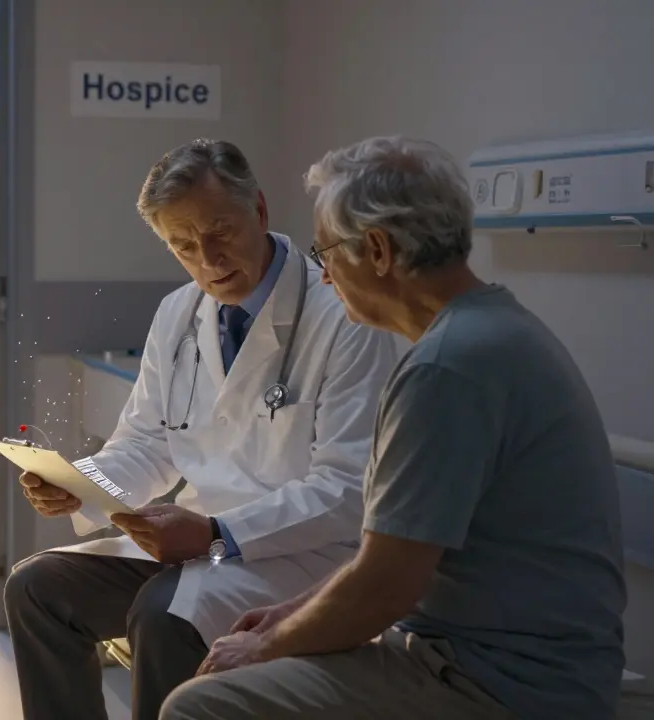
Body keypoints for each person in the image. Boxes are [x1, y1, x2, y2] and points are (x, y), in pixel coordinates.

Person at [161, 135, 628, 720]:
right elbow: (396, 561)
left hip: (500, 684)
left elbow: (386, 585)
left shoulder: (445, 369)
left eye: (326, 251)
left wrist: (264, 646)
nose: (324, 275)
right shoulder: (491, 330)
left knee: (201, 707)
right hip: (497, 655)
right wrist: (287, 616)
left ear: (377, 250)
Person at [4, 138, 401, 720]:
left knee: (164, 617)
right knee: (37, 588)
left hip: (301, 556)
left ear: (260, 211)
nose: (208, 260)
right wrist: (80, 485)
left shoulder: (343, 314)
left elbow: (347, 491)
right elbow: (147, 444)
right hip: (198, 547)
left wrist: (218, 534)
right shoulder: (179, 313)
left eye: (220, 232)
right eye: (183, 245)